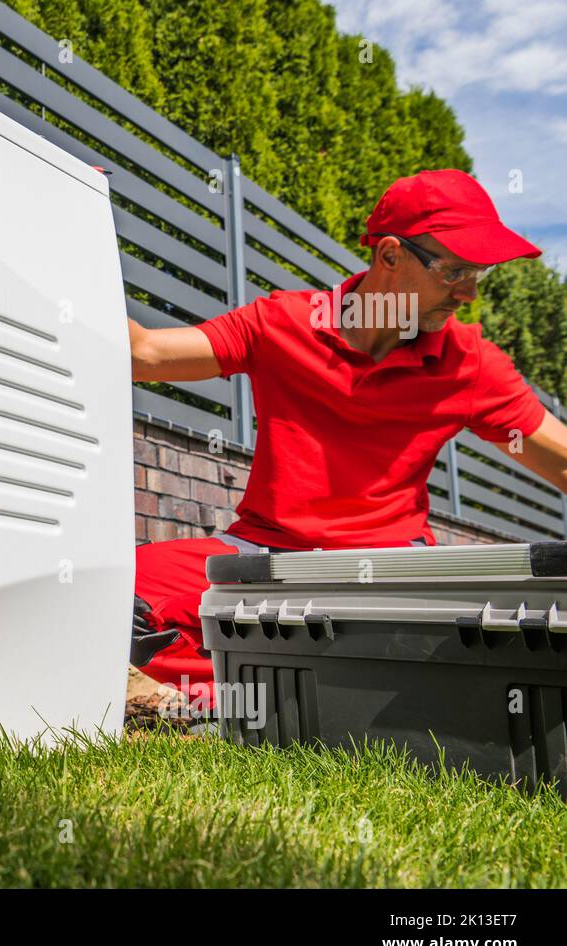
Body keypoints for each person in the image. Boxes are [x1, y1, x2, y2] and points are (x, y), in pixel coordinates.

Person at [129, 169, 567, 710]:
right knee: (120, 591)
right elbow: (144, 355)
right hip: (264, 557)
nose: (470, 294)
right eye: (455, 271)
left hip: (389, 571)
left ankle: (235, 688)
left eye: (478, 274)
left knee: (453, 641)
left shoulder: (470, 364)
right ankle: (280, 690)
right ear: (389, 255)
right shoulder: (279, 324)